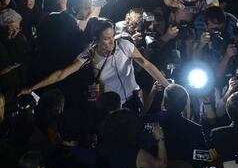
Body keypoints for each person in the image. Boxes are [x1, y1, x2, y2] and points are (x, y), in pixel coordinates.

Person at [20, 18, 170, 107]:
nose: (112, 42)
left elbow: (146, 64)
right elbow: (61, 74)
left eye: (113, 36)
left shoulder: (124, 45)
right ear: (96, 40)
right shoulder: (88, 56)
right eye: (106, 38)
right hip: (115, 107)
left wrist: (169, 87)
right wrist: (32, 88)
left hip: (136, 99)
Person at [151, 84, 206, 162]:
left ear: (165, 102)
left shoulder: (152, 122)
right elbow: (203, 157)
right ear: (184, 105)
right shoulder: (195, 129)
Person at [0, 8, 29, 92]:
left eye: (18, 28)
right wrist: (10, 67)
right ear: (2, 27)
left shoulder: (21, 38)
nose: (15, 32)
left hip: (23, 87)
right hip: (4, 91)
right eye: (12, 29)